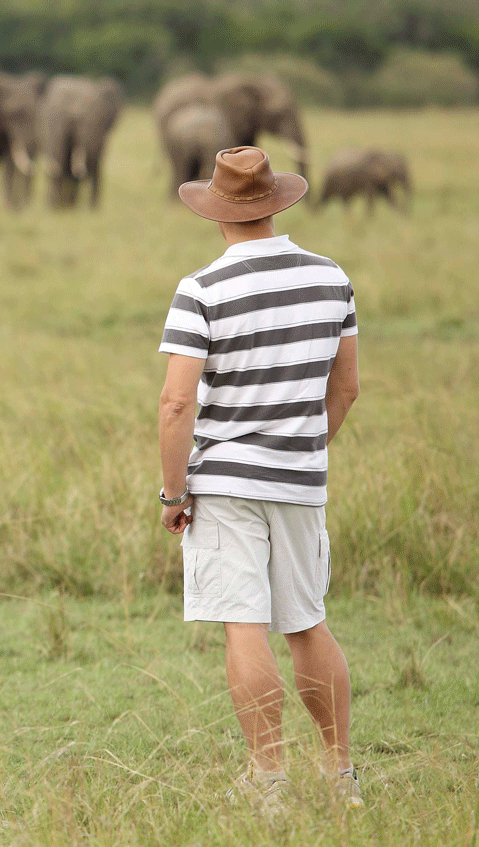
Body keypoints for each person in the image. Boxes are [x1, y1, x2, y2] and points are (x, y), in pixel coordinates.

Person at [157, 147, 363, 813]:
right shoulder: (332, 277)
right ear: (276, 205)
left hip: (224, 481)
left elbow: (176, 404)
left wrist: (174, 493)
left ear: (216, 213)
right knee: (307, 621)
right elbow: (347, 389)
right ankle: (341, 776)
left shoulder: (202, 288)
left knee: (243, 625)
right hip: (301, 478)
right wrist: (300, 449)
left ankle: (268, 781)